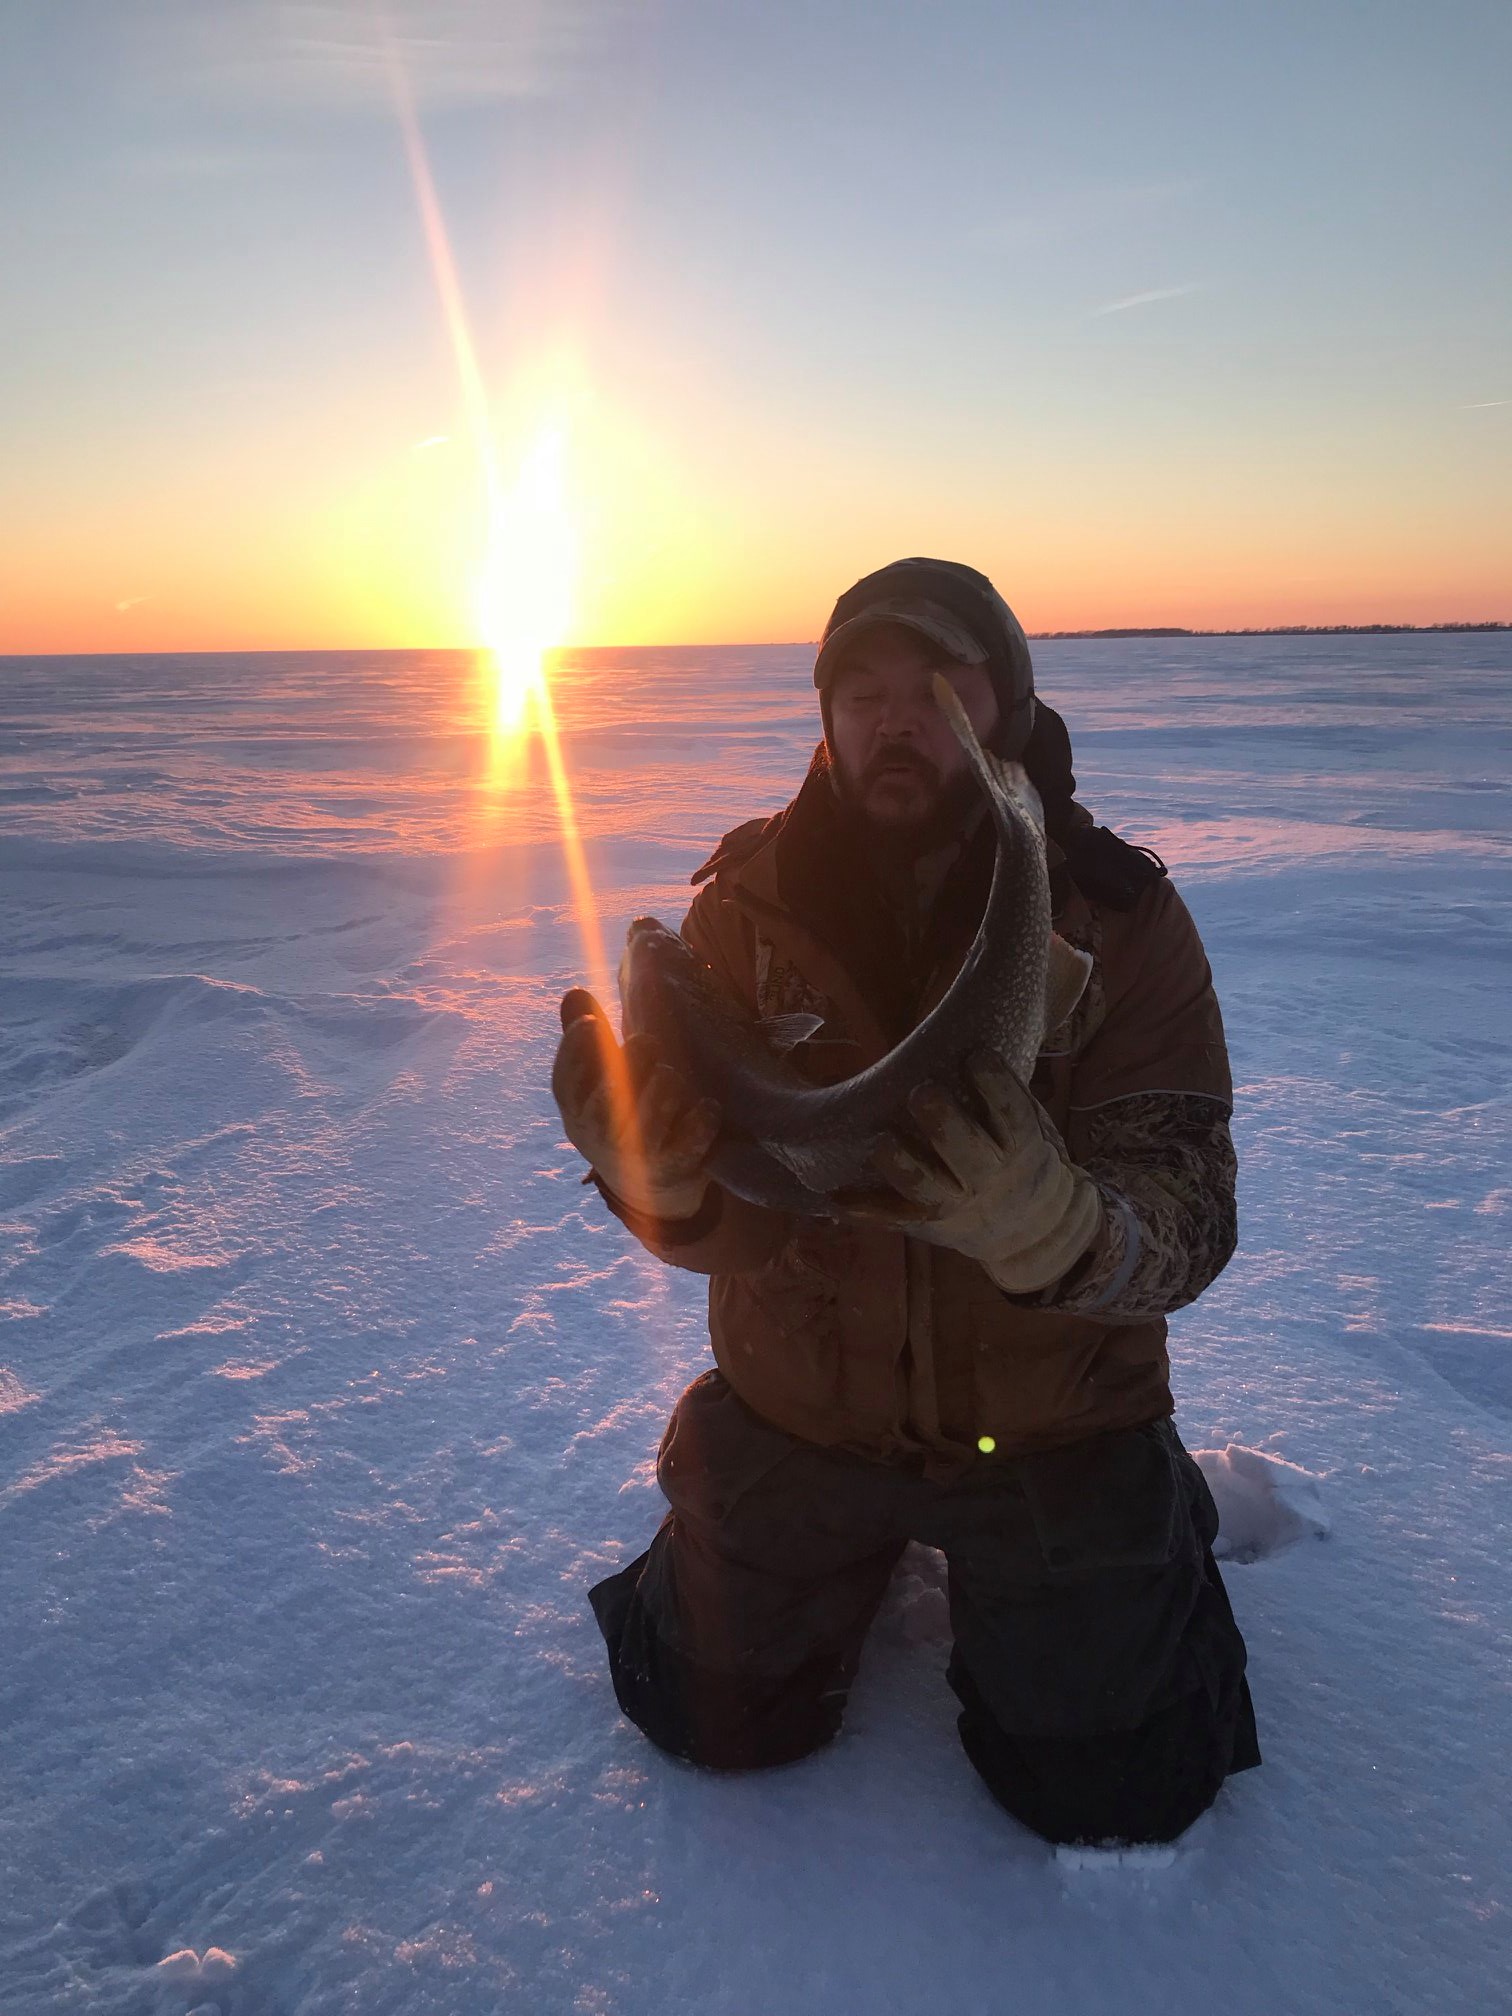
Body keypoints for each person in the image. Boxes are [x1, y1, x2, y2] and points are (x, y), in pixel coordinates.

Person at [551, 557, 1260, 1847]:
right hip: (806, 1413)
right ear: (824, 718)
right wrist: (662, 1191)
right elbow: (752, 1214)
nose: (896, 720)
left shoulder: (1124, 918)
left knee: (1118, 1784)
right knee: (708, 1714)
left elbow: (1193, 1207)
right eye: (861, 692)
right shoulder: (741, 916)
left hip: (1053, 1424)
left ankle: (1154, 1524)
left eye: (939, 688)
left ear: (1005, 705)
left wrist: (1066, 1232)